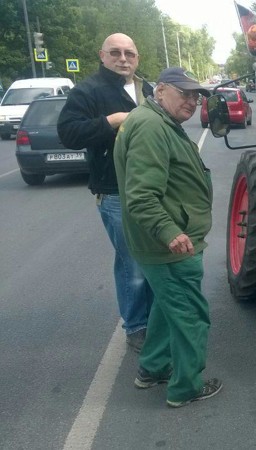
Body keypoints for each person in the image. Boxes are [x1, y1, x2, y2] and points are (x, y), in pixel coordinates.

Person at [114, 67, 220, 408]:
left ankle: (152, 369)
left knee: (164, 307)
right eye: (184, 93)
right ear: (160, 91)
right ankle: (186, 388)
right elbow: (142, 195)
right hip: (172, 247)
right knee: (190, 314)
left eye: (195, 96)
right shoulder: (150, 126)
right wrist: (170, 232)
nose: (191, 101)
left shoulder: (156, 121)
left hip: (164, 245)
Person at [57, 33, 154, 352]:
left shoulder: (147, 88)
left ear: (137, 57)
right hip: (115, 191)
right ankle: (137, 326)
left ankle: (154, 317)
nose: (123, 58)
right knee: (132, 262)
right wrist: (111, 121)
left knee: (154, 255)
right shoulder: (88, 91)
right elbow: (68, 133)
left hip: (153, 187)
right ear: (102, 56)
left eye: (130, 52)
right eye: (115, 52)